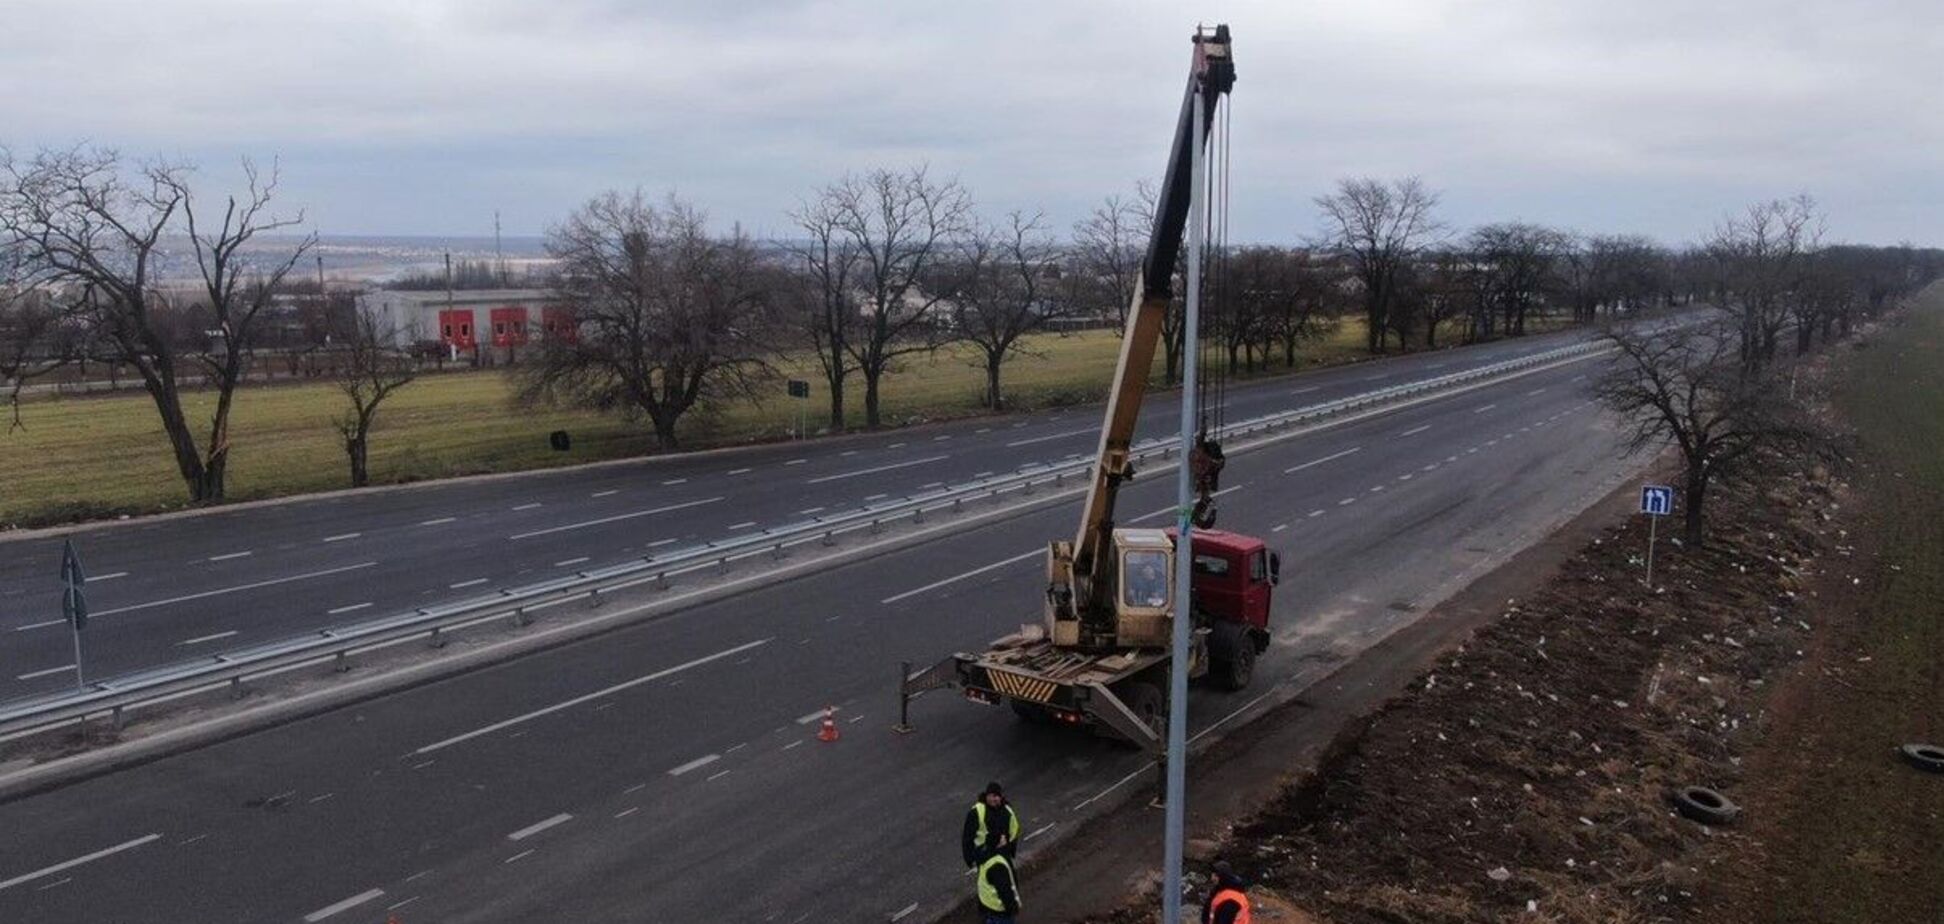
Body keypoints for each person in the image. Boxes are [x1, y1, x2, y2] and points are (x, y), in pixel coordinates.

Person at [962, 781, 1020, 867]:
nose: (993, 799)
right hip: (984, 857)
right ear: (986, 796)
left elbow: (1014, 832)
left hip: (1003, 854)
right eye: (991, 796)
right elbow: (967, 837)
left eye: (996, 796)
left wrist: (1009, 848)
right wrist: (969, 859)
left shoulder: (1007, 811)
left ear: (1000, 797)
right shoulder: (976, 812)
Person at [975, 837, 1022, 923]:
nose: (1005, 838)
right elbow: (1005, 891)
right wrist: (1013, 908)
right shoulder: (998, 866)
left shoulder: (984, 856)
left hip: (988, 908)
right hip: (1000, 912)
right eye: (1002, 837)